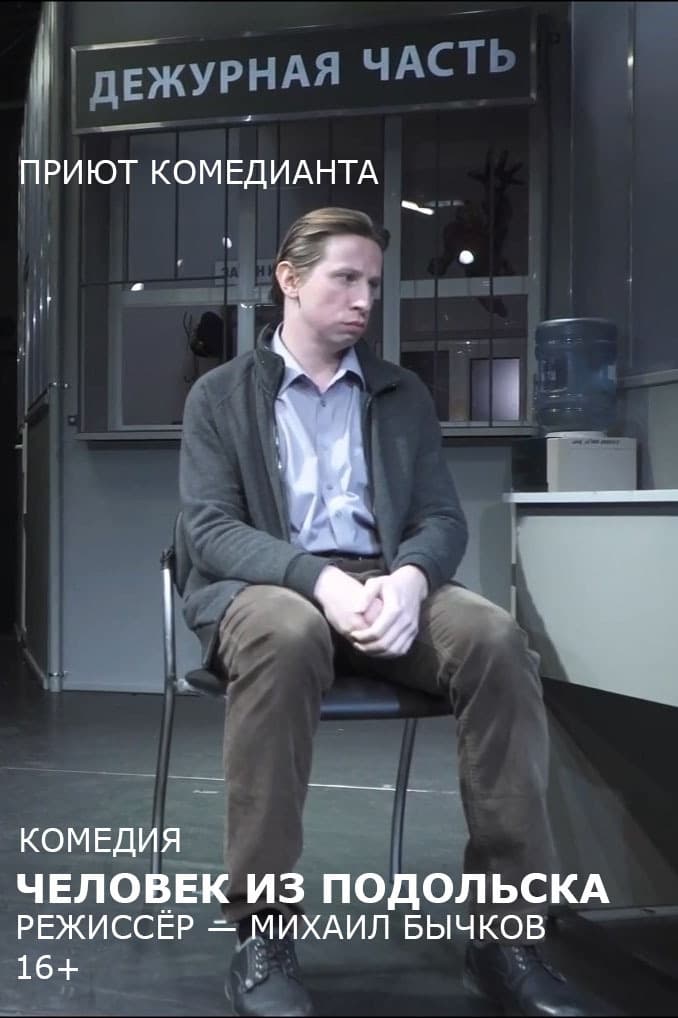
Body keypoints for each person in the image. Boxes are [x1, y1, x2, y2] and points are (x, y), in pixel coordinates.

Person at [179, 207, 593, 1017]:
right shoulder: (219, 397)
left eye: (373, 282)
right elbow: (211, 530)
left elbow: (440, 517)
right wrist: (318, 582)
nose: (366, 298)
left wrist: (408, 580)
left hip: (385, 583)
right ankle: (263, 929)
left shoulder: (401, 394)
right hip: (271, 589)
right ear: (289, 279)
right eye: (346, 278)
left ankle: (506, 934)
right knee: (288, 631)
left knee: (495, 640)